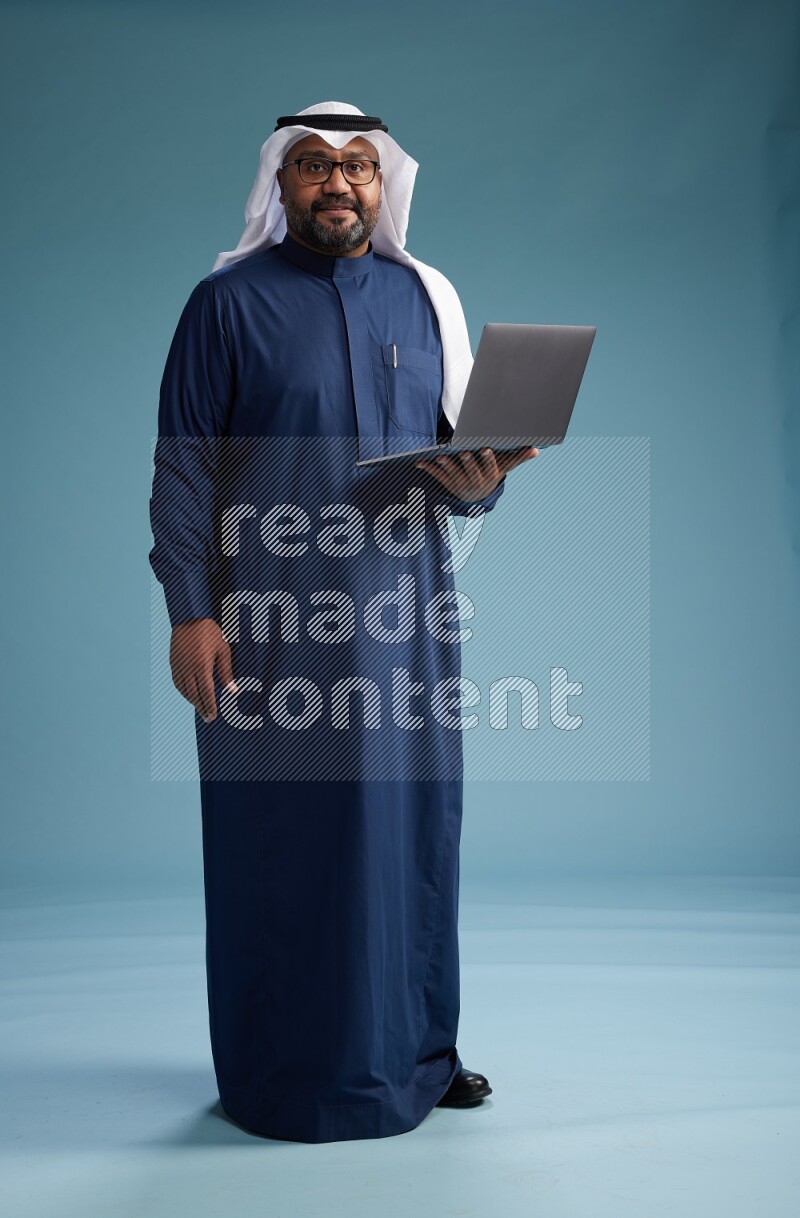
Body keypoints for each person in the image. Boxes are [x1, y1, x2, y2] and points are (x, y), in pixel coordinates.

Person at [149, 101, 537, 1144]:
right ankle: (283, 1073)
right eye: (315, 166)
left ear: (384, 186)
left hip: (406, 616)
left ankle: (417, 1053)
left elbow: (464, 475)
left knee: (413, 837)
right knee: (283, 841)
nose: (338, 184)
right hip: (268, 620)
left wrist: (481, 481)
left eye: (359, 168)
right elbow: (184, 469)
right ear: (279, 186)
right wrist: (191, 614)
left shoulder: (423, 301)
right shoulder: (224, 305)